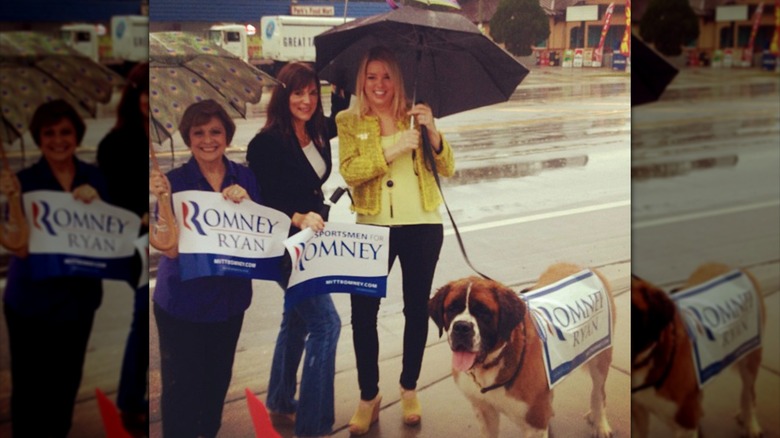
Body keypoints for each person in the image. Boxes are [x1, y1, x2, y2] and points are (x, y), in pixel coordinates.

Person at [336, 46, 455, 435]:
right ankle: (369, 395)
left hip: (422, 225)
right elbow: (351, 171)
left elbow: (449, 167)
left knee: (416, 310)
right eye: (371, 77)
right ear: (361, 81)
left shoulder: (417, 114)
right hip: (371, 228)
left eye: (387, 76)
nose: (379, 85)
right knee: (363, 315)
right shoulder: (349, 121)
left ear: (398, 80)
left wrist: (432, 135)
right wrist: (393, 148)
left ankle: (409, 387)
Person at [245, 62, 348, 438]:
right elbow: (262, 198)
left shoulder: (317, 130)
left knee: (297, 321)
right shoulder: (266, 142)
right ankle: (313, 425)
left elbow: (337, 122)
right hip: (284, 246)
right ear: (283, 95)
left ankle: (280, 400)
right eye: (297, 93)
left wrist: (340, 95)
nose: (306, 101)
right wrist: (297, 215)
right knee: (326, 324)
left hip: (311, 241)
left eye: (311, 93)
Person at [149, 99, 260, 438]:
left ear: (227, 135)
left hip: (229, 300)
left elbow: (258, 233)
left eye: (216, 131)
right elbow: (167, 248)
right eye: (199, 132)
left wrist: (247, 204)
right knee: (182, 388)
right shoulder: (173, 181)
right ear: (187, 137)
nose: (208, 139)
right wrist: (163, 201)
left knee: (215, 383)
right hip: (182, 304)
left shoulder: (245, 176)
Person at [0, 99, 107, 437]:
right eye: (49, 133)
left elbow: (114, 233)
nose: (58, 139)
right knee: (30, 386)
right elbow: (17, 246)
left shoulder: (95, 177)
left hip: (78, 300)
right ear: (38, 137)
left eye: (65, 131)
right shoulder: (23, 180)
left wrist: (99, 203)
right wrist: (13, 201)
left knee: (66, 382)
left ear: (77, 135)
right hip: (30, 302)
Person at [96, 61, 150, 436]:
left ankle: (133, 399)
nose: (149, 100)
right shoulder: (116, 143)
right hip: (134, 244)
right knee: (141, 318)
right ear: (134, 97)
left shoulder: (160, 137)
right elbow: (111, 199)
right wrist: (141, 215)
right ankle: (131, 401)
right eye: (144, 92)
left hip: (162, 241)